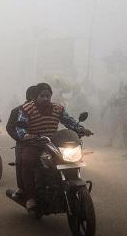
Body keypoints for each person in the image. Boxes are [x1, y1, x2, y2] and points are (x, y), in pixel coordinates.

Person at [15, 83, 90, 212]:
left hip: (52, 143)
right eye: (42, 96)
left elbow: (69, 121)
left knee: (67, 160)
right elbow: (20, 126)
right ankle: (31, 197)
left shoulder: (57, 109)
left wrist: (81, 129)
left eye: (48, 96)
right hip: (34, 142)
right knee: (27, 161)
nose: (45, 98)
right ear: (36, 97)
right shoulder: (27, 108)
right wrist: (25, 135)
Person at [6, 85, 38, 196]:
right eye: (37, 96)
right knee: (21, 162)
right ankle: (22, 189)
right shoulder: (18, 110)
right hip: (24, 143)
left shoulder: (46, 109)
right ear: (30, 96)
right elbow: (9, 127)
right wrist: (21, 138)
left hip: (43, 142)